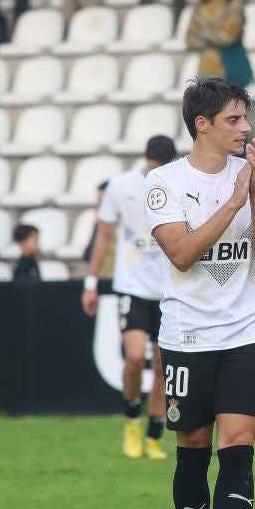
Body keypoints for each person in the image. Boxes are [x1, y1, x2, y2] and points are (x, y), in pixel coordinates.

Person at [145, 78, 255, 509]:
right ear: (202, 124)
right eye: (233, 119)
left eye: (245, 118)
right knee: (194, 448)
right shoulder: (165, 182)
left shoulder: (252, 176)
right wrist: (233, 200)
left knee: (239, 445)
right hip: (187, 335)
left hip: (245, 332)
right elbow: (181, 254)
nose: (245, 128)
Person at [82, 134, 177, 461]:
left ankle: (154, 436)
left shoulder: (177, 183)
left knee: (163, 364)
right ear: (144, 159)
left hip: (167, 288)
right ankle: (132, 423)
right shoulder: (121, 186)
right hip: (132, 286)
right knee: (135, 357)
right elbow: (104, 235)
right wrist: (91, 283)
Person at [186, 0, 248, 81]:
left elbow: (228, 36)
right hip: (204, 72)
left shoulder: (235, 4)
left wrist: (203, 33)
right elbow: (190, 41)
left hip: (230, 71)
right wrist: (215, 33)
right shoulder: (200, 7)